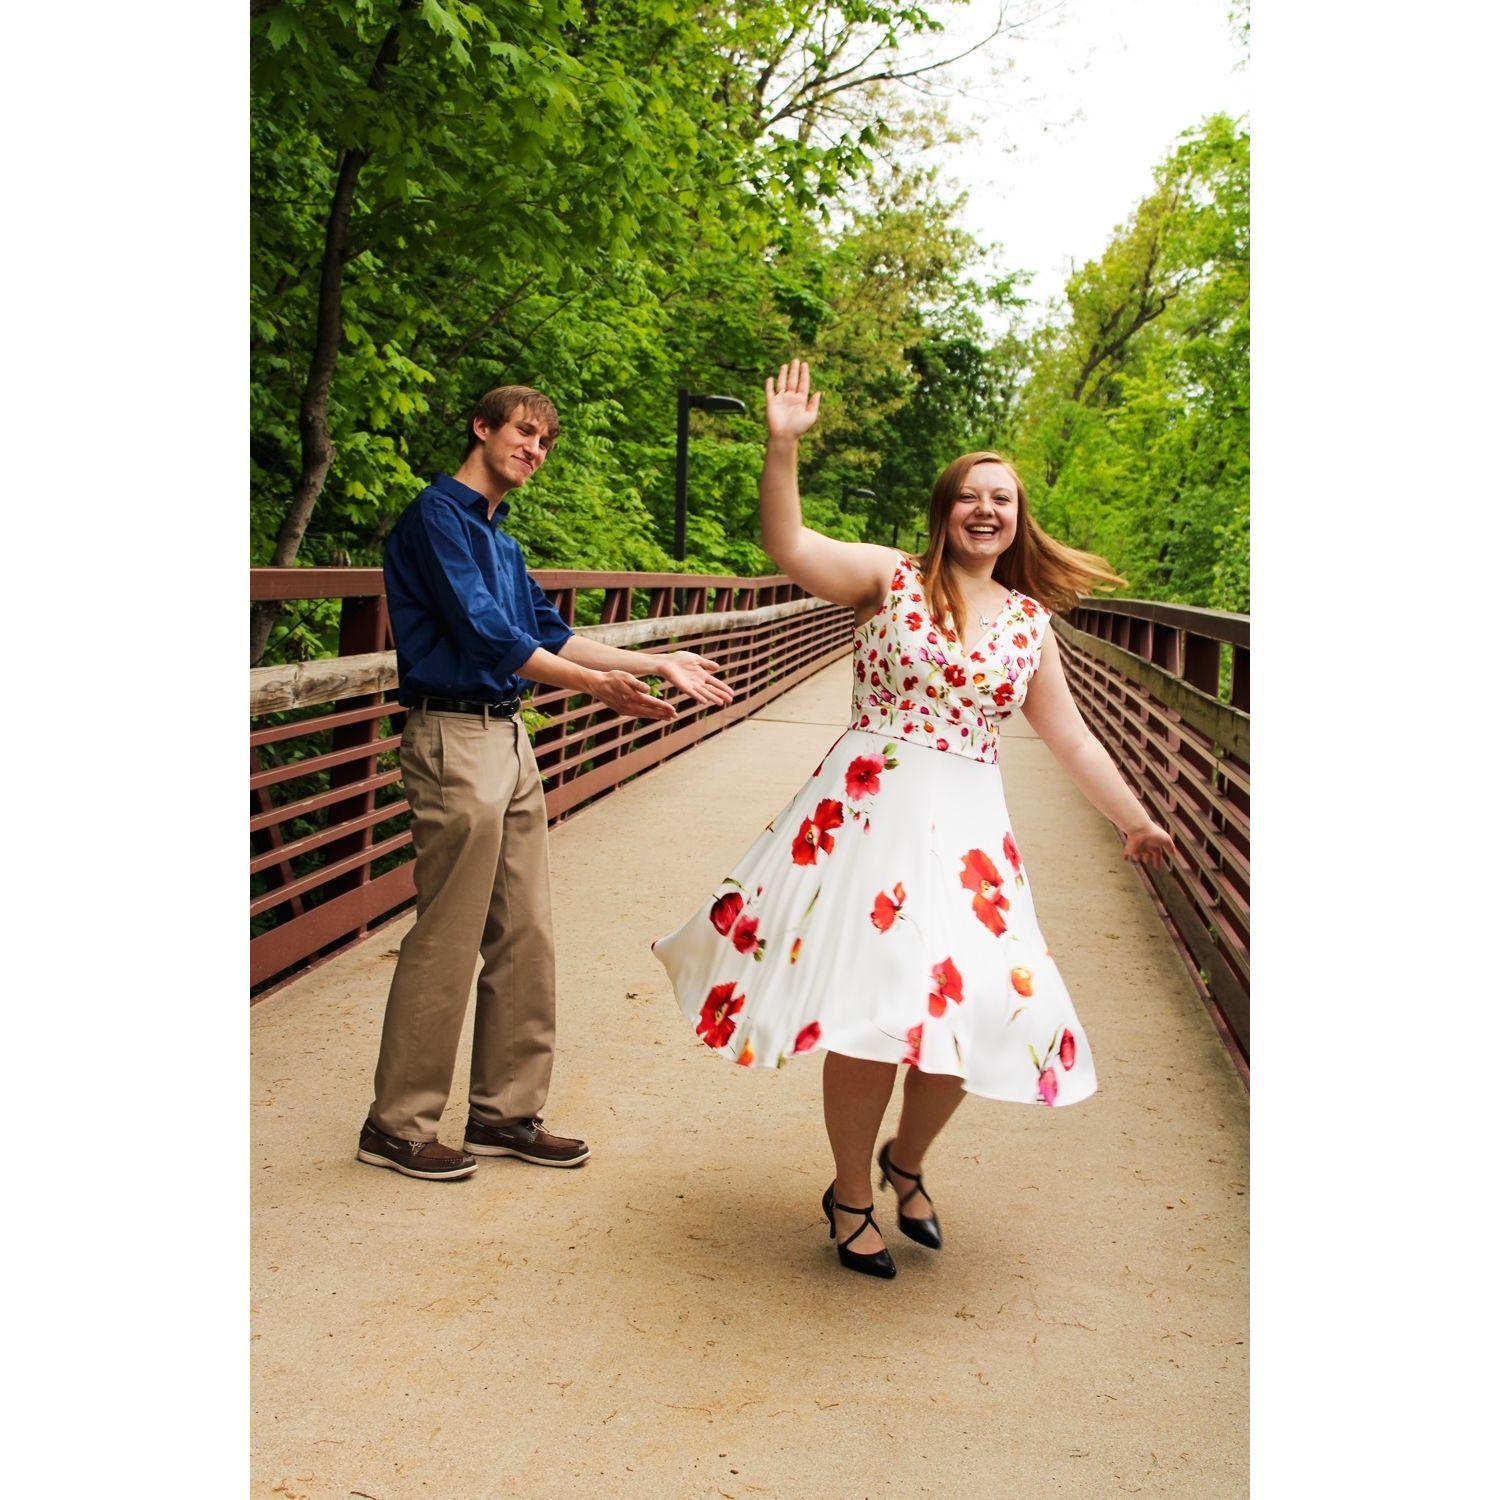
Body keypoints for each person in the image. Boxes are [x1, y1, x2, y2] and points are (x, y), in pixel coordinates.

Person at [652, 360, 1174, 1276]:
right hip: (868, 821)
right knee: (874, 1011)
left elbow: (1075, 741)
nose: (985, 511)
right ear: (944, 511)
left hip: (971, 839)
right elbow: (789, 543)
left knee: (982, 1006)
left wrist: (1135, 819)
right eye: (969, 497)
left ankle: (909, 1160)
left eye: (1001, 500)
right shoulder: (891, 579)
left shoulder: (1029, 624)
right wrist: (781, 447)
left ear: (1019, 519)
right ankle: (851, 1193)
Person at [359, 384, 734, 1181]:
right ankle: (397, 1124)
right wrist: (593, 690)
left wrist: (652, 661)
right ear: (483, 427)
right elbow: (487, 634)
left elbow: (551, 632)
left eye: (545, 443)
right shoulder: (437, 517)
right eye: (524, 433)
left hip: (508, 736)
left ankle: (504, 1113)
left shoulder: (500, 540)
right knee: (449, 935)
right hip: (454, 735)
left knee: (525, 933)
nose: (533, 449)